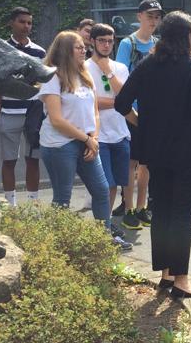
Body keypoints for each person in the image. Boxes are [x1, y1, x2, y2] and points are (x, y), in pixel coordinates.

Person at [115, 11, 191, 300]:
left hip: (156, 152)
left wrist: (142, 124)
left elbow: (122, 103)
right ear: (187, 36)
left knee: (162, 213)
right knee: (182, 215)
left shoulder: (147, 65)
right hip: (189, 152)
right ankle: (182, 281)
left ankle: (167, 274)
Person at [38, 31, 130, 251]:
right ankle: (57, 247)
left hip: (86, 141)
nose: (84, 51)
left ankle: (103, 239)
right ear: (65, 50)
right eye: (79, 47)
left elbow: (94, 112)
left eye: (84, 47)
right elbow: (57, 120)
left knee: (101, 190)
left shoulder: (84, 75)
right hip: (60, 144)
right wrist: (87, 139)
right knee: (63, 196)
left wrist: (93, 138)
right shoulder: (53, 77)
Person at [115, 0, 163, 230]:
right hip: (132, 110)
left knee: (147, 163)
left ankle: (142, 207)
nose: (153, 20)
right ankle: (129, 209)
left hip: (152, 111)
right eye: (149, 16)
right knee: (131, 162)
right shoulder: (128, 43)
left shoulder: (159, 44)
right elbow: (121, 77)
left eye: (157, 17)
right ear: (139, 16)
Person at [0, 7, 44, 206]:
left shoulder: (39, 51)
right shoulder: (1, 49)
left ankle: (33, 204)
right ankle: (10, 205)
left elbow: (42, 82)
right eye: (22, 22)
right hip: (8, 112)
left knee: (33, 159)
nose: (26, 26)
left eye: (29, 23)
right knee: (9, 160)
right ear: (11, 23)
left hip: (33, 113)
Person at [86, 23, 132, 241]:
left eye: (110, 41)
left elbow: (126, 97)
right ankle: (101, 230)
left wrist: (108, 72)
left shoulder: (120, 68)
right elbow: (88, 101)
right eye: (102, 40)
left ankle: (106, 225)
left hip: (120, 134)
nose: (106, 45)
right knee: (104, 185)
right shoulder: (83, 68)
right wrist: (116, 102)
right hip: (98, 136)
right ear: (92, 42)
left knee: (116, 184)